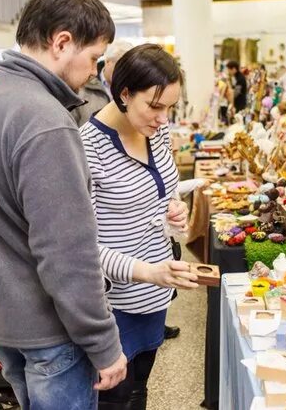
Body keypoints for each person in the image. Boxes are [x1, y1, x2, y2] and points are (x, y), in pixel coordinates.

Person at [0, 0, 197, 409]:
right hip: (51, 327)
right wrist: (104, 343)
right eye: (93, 58)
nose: (94, 73)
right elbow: (68, 252)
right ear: (61, 42)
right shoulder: (49, 121)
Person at [80, 43, 199, 409]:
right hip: (113, 305)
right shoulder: (88, 148)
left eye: (171, 107)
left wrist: (173, 209)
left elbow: (162, 189)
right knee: (115, 399)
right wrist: (147, 272)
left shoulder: (154, 131)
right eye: (155, 105)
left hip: (154, 296)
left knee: (139, 390)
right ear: (124, 93)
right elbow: (82, 249)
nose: (164, 118)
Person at [71, 41, 135, 127]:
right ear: (108, 62)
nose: (125, 73)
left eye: (129, 69)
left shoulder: (135, 90)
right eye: (121, 67)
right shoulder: (81, 86)